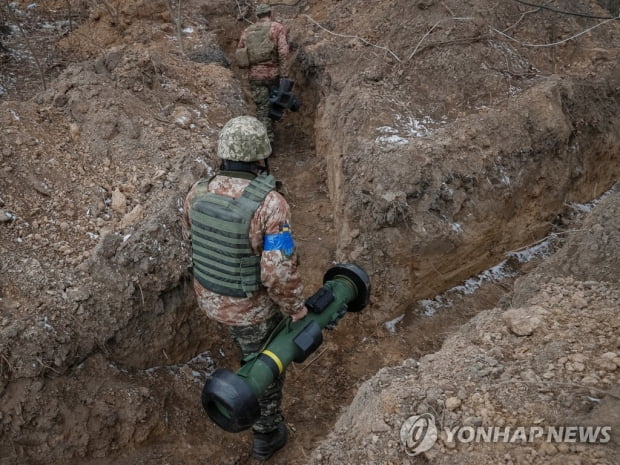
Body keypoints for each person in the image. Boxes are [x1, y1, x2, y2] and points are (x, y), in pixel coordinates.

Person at [182, 115, 307, 461]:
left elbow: (192, 239)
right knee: (264, 364)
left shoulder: (198, 192)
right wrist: (296, 308)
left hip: (208, 296)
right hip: (249, 311)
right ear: (260, 156)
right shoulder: (270, 204)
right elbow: (277, 273)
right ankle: (267, 435)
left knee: (244, 341)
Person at [235, 3, 290, 144]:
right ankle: (270, 139)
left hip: (255, 76)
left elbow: (240, 52)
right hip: (274, 75)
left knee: (262, 109)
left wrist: (247, 73)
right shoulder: (277, 28)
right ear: (270, 14)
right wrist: (284, 75)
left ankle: (265, 140)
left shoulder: (247, 31)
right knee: (274, 104)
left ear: (257, 16)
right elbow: (283, 52)